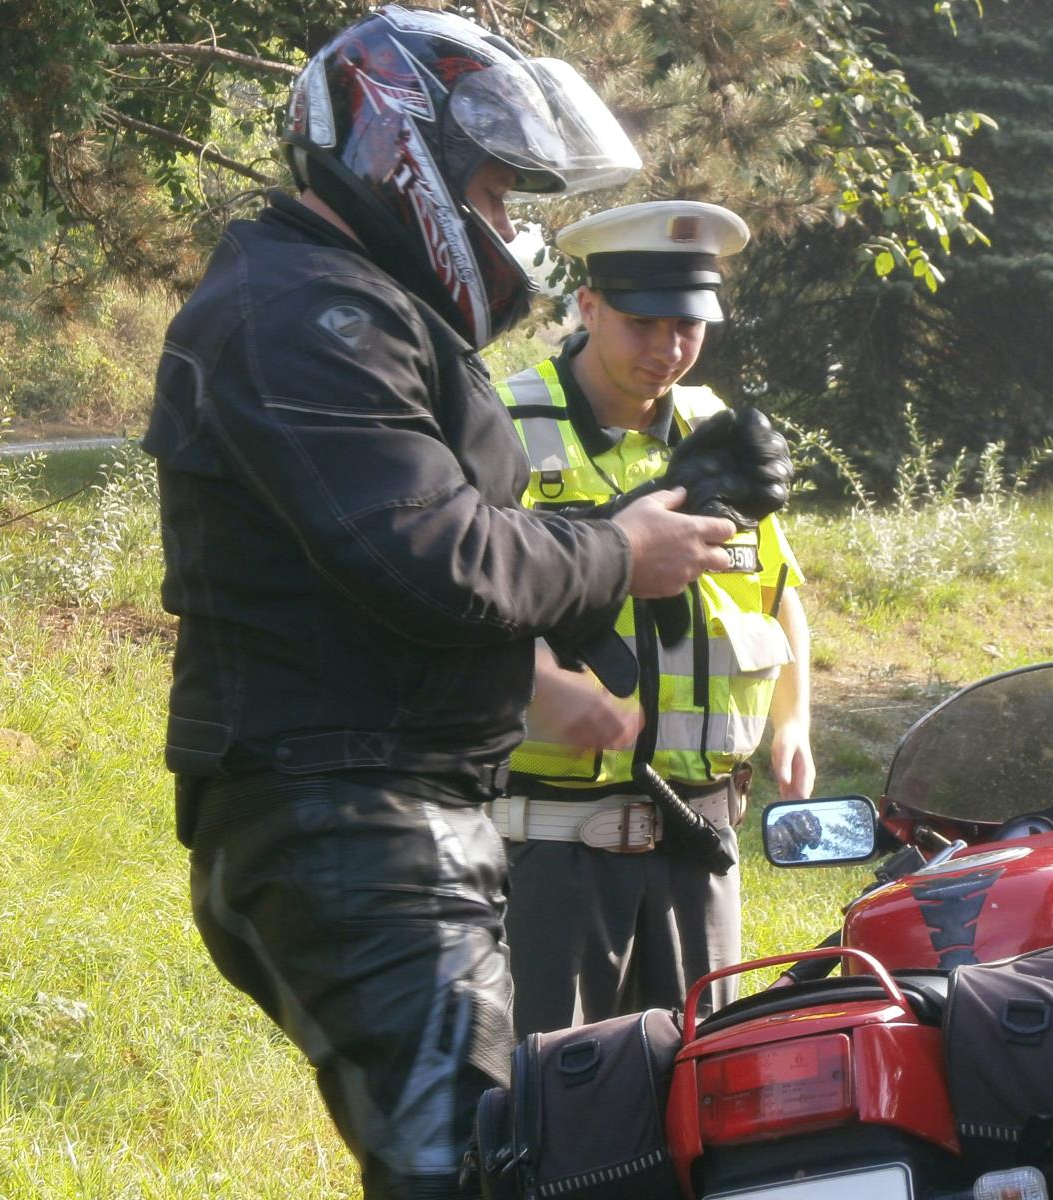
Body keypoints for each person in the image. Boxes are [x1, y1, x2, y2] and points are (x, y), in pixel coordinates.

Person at [141, 9, 737, 1198]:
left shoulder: (345, 302)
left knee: (517, 1157)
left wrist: (621, 557)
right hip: (348, 818)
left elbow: (412, 566)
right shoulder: (305, 317)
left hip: (383, 810)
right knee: (465, 1177)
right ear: (397, 146)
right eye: (500, 191)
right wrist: (615, 553)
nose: (509, 226)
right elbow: (428, 554)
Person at [494, 200, 815, 1035]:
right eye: (642, 323)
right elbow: (461, 608)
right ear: (589, 306)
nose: (667, 349)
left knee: (705, 1103)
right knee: (556, 1114)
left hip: (702, 844)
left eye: (688, 324)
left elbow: (778, 594)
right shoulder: (504, 429)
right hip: (557, 849)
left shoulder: (721, 433)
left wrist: (794, 724)